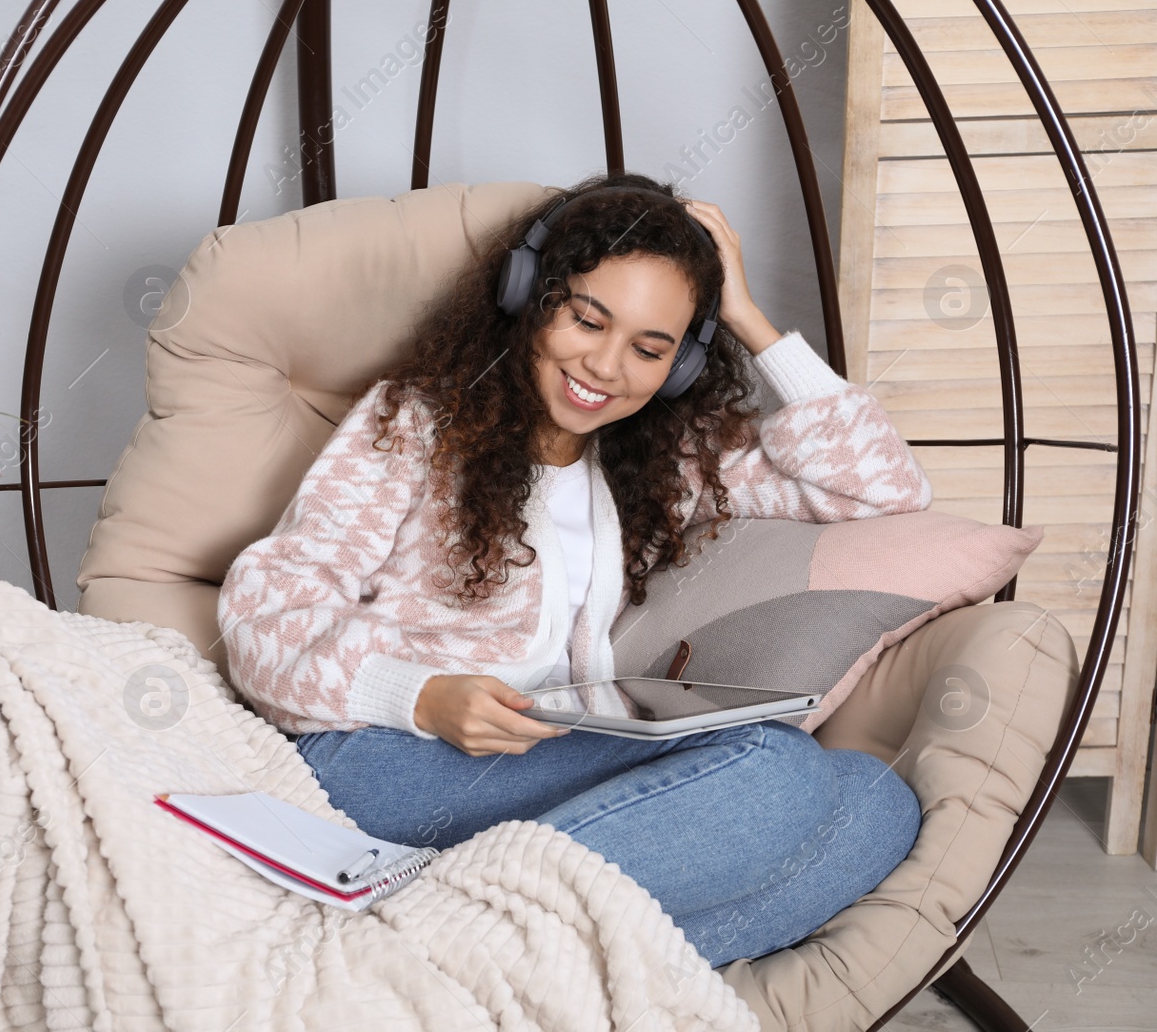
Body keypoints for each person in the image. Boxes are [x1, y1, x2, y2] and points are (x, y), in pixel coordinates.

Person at [216, 170, 927, 968]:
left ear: (682, 365)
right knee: (778, 769)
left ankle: (475, 963)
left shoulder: (663, 462)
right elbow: (262, 618)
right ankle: (457, 944)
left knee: (877, 803)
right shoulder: (415, 423)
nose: (607, 365)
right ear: (531, 297)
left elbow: (886, 488)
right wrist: (421, 696)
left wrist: (750, 321)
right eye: (588, 319)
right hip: (383, 750)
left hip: (551, 749)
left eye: (651, 347)